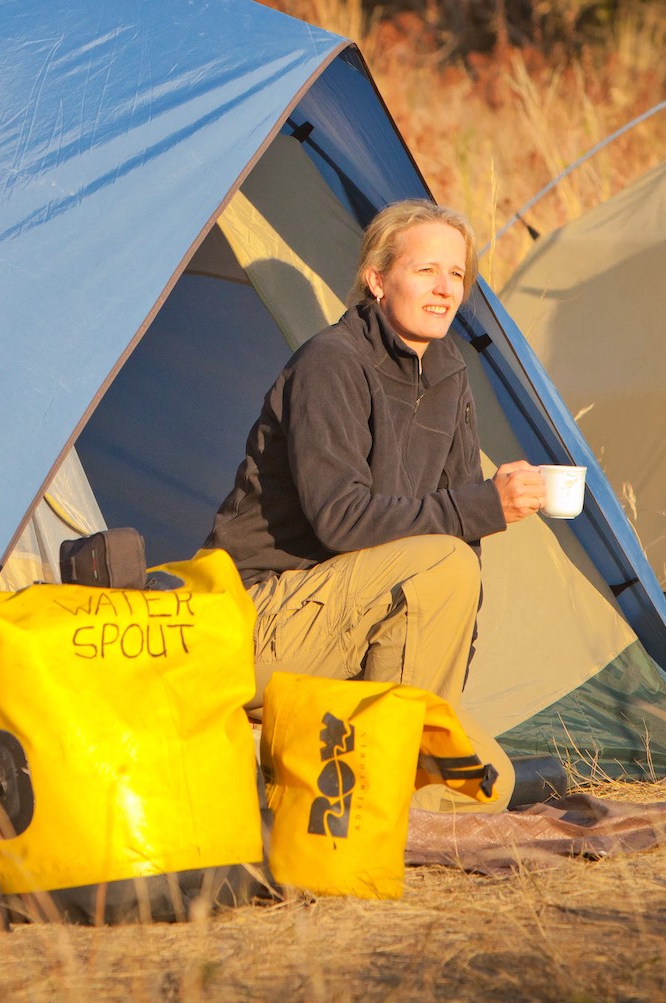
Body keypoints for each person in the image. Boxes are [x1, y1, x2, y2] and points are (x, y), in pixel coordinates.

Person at [203, 199, 547, 812]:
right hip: (255, 622)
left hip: (348, 627)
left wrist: (447, 681)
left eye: (457, 276)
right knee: (443, 561)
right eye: (425, 272)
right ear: (376, 279)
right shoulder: (330, 363)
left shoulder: (449, 375)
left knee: (489, 785)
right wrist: (484, 505)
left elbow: (458, 556)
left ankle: (326, 770)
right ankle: (370, 805)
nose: (445, 290)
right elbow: (342, 519)